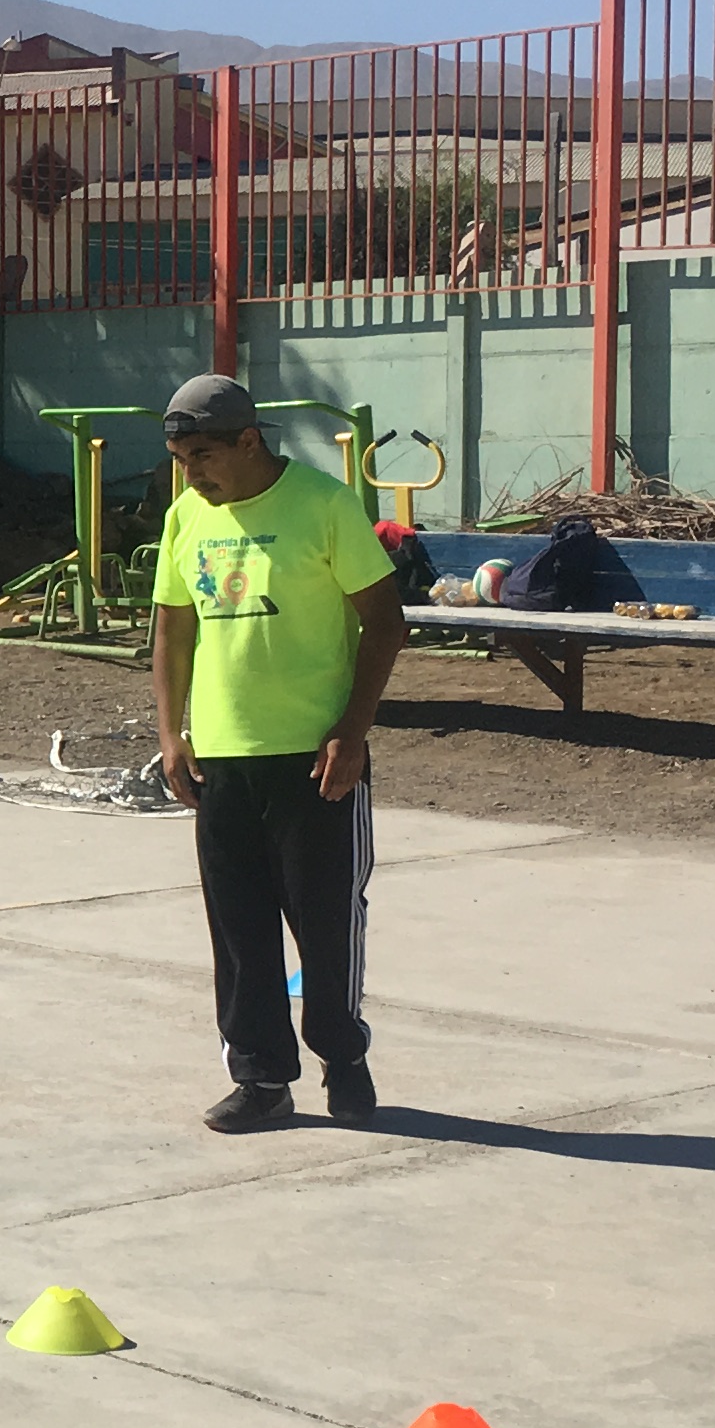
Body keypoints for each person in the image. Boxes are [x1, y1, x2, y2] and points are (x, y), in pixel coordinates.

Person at [150, 373, 408, 1131]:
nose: (192, 476)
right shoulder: (185, 517)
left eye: (203, 457)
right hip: (222, 759)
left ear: (248, 441)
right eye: (181, 461)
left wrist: (351, 732)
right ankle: (261, 1078)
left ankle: (343, 1058)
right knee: (239, 931)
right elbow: (172, 629)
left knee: (327, 928)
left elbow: (385, 622)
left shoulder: (324, 504)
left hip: (314, 759)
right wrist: (171, 734)